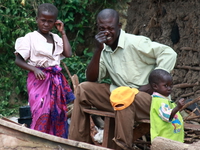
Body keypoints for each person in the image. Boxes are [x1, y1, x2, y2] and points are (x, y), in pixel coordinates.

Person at [68, 8, 177, 149]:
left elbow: (169, 53)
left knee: (124, 96)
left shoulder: (135, 43)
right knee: (84, 89)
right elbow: (92, 77)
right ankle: (77, 144)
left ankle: (121, 146)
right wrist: (98, 50)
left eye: (110, 28)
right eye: (102, 29)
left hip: (149, 100)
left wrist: (152, 84)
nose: (106, 32)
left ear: (119, 27)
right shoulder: (104, 49)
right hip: (121, 96)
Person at [14, 3, 75, 138]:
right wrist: (34, 69)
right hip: (38, 80)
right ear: (37, 19)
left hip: (55, 80)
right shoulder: (30, 38)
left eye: (50, 21)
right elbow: (18, 60)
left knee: (57, 113)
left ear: (55, 22)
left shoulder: (56, 38)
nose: (46, 24)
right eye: (43, 20)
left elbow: (68, 53)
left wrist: (63, 32)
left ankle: (56, 143)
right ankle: (38, 142)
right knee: (41, 111)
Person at [149, 69, 184, 143]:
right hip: (165, 140)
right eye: (166, 86)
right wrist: (177, 107)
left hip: (170, 140)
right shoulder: (159, 101)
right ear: (155, 86)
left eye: (170, 86)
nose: (169, 88)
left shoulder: (164, 100)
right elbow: (166, 116)